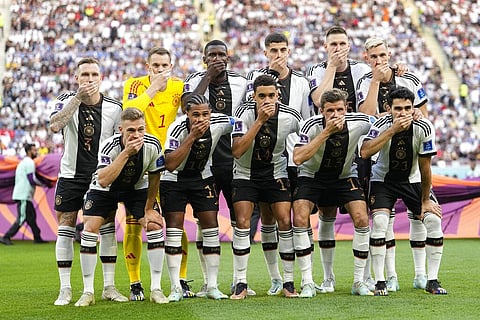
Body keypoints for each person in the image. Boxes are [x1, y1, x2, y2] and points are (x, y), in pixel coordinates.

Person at [49, 57, 125, 306]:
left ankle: (109, 287)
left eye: (94, 75)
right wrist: (77, 98)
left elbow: (119, 144)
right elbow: (55, 125)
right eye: (85, 75)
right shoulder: (65, 101)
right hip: (70, 175)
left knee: (107, 226)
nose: (90, 79)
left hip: (100, 177)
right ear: (77, 78)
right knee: (66, 226)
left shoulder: (114, 107)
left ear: (100, 77)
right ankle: (65, 288)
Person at [74, 108, 167, 306]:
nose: (136, 135)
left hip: (136, 187)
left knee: (155, 226)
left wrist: (149, 208)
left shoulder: (152, 145)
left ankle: (156, 289)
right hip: (105, 188)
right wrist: (126, 153)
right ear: (121, 130)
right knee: (89, 229)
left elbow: (155, 176)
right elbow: (104, 179)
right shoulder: (109, 146)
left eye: (140, 129)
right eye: (131, 130)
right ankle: (88, 291)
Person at [358, 37, 430, 291]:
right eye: (374, 56)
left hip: (406, 155)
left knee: (419, 217)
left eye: (382, 55)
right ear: (366, 58)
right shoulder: (365, 82)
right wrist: (376, 81)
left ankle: (421, 275)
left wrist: (417, 113)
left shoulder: (409, 78)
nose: (379, 61)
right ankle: (389, 275)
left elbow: (424, 114)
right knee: (381, 220)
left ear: (389, 54)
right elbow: (365, 117)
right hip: (376, 156)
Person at [360, 87, 447, 295]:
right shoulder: (380, 124)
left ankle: (431, 280)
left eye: (408, 108)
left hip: (413, 179)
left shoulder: (424, 127)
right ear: (388, 108)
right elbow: (365, 151)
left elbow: (426, 167)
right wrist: (392, 130)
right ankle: (380, 281)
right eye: (398, 108)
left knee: (433, 220)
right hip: (383, 180)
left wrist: (425, 201)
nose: (403, 113)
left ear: (413, 108)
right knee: (380, 222)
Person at [122, 47, 194, 300]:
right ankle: (135, 283)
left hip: (169, 165)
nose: (160, 70)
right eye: (156, 66)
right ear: (148, 66)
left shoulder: (179, 86)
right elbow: (130, 110)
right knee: (135, 224)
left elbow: (192, 111)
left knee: (176, 224)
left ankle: (181, 279)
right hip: (140, 165)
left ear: (171, 66)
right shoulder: (134, 84)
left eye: (165, 66)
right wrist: (153, 87)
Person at [245, 32, 313, 296]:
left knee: (299, 217)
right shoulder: (254, 80)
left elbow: (307, 121)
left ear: (289, 51)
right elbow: (244, 114)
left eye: (283, 49)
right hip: (265, 159)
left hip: (294, 160)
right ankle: (277, 278)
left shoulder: (302, 83)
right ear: (265, 53)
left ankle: (306, 277)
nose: (278, 54)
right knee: (269, 218)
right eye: (273, 50)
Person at [182, 39, 249, 296]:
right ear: (204, 58)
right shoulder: (195, 80)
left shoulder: (241, 82)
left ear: (229, 57)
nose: (217, 58)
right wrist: (208, 76)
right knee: (204, 222)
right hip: (205, 164)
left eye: (222, 54)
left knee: (240, 221)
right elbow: (187, 105)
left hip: (234, 163)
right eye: (212, 55)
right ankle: (207, 282)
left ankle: (240, 280)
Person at [292, 88, 374, 297]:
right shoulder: (310, 125)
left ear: (346, 108)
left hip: (344, 176)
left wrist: (416, 114)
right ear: (322, 111)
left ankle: (359, 281)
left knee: (362, 218)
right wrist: (326, 132)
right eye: (330, 111)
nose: (335, 115)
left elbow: (382, 121)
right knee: (300, 217)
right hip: (312, 177)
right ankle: (308, 281)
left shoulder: (359, 122)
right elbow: (298, 158)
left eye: (339, 110)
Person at [230, 75, 302, 300]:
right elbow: (237, 150)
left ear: (278, 95)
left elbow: (308, 137)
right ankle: (240, 282)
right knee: (242, 222)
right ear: (254, 96)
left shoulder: (291, 117)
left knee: (284, 221)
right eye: (262, 96)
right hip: (245, 174)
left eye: (271, 95)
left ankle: (288, 282)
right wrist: (259, 121)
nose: (267, 100)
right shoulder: (243, 114)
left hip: (276, 174)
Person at [161, 94, 234, 301]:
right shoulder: (177, 129)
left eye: (205, 114)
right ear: (187, 114)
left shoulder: (220, 122)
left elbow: (239, 123)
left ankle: (212, 285)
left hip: (202, 177)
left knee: (211, 227)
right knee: (174, 229)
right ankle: (176, 287)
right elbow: (171, 163)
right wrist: (192, 136)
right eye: (195, 115)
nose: (201, 119)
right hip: (174, 179)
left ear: (211, 113)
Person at [0, 143, 47, 245]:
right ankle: (6, 237)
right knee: (22, 217)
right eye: (34, 150)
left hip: (24, 195)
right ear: (29, 151)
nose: (36, 152)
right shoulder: (29, 162)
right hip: (23, 195)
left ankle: (37, 237)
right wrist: (44, 184)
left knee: (31, 217)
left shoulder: (23, 162)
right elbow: (31, 179)